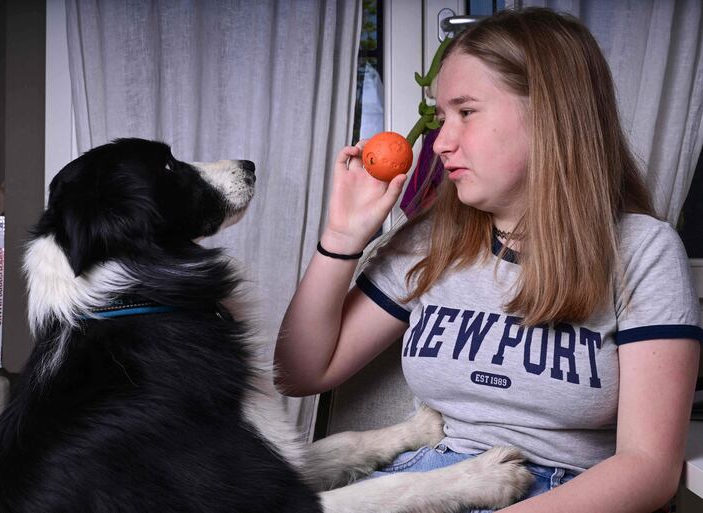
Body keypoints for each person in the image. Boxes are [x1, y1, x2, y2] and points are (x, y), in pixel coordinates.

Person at [274, 6, 702, 513]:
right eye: (441, 117)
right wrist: (341, 237)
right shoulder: (434, 241)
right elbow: (299, 373)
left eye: (466, 112)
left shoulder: (642, 251)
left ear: (549, 112)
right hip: (430, 481)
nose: (441, 144)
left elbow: (648, 469)